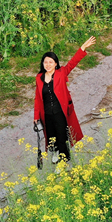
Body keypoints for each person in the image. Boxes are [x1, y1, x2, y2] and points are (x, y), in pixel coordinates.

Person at [34, 36, 96, 164]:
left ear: (56, 64)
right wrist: (36, 116)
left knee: (62, 136)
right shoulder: (39, 77)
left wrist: (83, 48)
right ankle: (56, 152)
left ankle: (63, 160)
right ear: (42, 64)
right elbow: (37, 99)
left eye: (51, 62)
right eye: (46, 62)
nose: (48, 64)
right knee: (51, 136)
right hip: (46, 113)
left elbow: (72, 63)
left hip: (60, 112)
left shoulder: (61, 73)